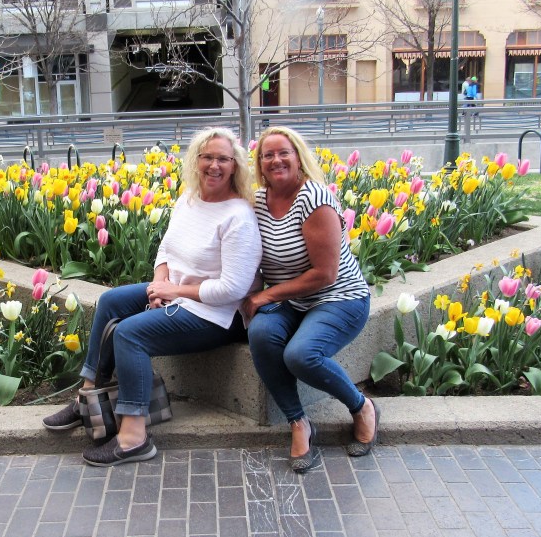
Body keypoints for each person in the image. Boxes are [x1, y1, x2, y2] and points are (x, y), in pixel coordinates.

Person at [42, 127, 262, 467]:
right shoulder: (188, 200)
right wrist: (159, 283)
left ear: (235, 165)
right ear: (196, 161)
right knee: (111, 302)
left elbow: (232, 288)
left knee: (131, 334)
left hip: (217, 314)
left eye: (223, 158)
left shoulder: (238, 216)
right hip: (180, 296)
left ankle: (134, 438)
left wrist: (173, 291)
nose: (214, 165)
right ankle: (87, 398)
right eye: (207, 157)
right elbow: (166, 249)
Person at [242, 126, 376, 474]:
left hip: (338, 298)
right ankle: (298, 422)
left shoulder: (314, 199)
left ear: (298, 157)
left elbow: (325, 274)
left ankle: (361, 407)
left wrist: (265, 295)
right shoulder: (258, 202)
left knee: (301, 355)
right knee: (260, 334)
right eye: (268, 155)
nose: (276, 160)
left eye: (283, 152)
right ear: (259, 164)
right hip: (292, 302)